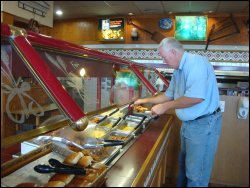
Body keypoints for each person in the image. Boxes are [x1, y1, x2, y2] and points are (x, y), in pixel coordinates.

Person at [134, 37, 222, 187]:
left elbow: (196, 97)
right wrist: (145, 101)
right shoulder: (178, 70)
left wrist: (165, 107)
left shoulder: (196, 64)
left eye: (163, 56)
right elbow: (169, 94)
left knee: (196, 175)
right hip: (189, 124)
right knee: (184, 167)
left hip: (203, 124)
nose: (163, 60)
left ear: (173, 52)